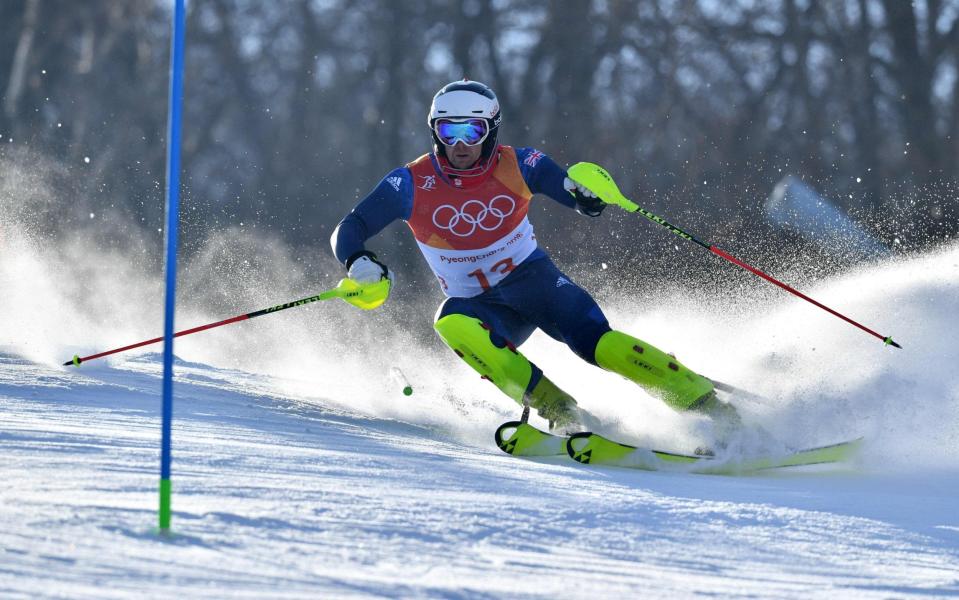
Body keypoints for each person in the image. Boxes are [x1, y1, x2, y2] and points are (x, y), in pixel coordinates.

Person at [331, 79, 737, 437]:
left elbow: (566, 188)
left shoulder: (519, 163)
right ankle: (559, 409)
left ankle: (708, 405)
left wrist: (585, 196)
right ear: (434, 131)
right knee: (450, 321)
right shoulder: (410, 182)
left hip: (536, 283)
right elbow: (350, 227)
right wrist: (358, 261)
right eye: (447, 130)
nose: (459, 145)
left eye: (471, 131)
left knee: (599, 346)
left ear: (490, 131)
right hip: (482, 305)